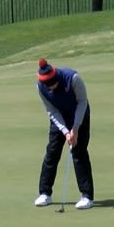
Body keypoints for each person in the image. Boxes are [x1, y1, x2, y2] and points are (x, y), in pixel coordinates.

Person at [34, 58, 95, 209]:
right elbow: (52, 111)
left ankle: (87, 196)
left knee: (79, 152)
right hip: (60, 118)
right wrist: (65, 131)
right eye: (48, 86)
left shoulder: (72, 78)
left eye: (53, 84)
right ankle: (45, 193)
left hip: (79, 115)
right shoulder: (40, 87)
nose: (51, 89)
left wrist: (75, 128)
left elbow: (82, 102)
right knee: (52, 153)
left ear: (57, 79)